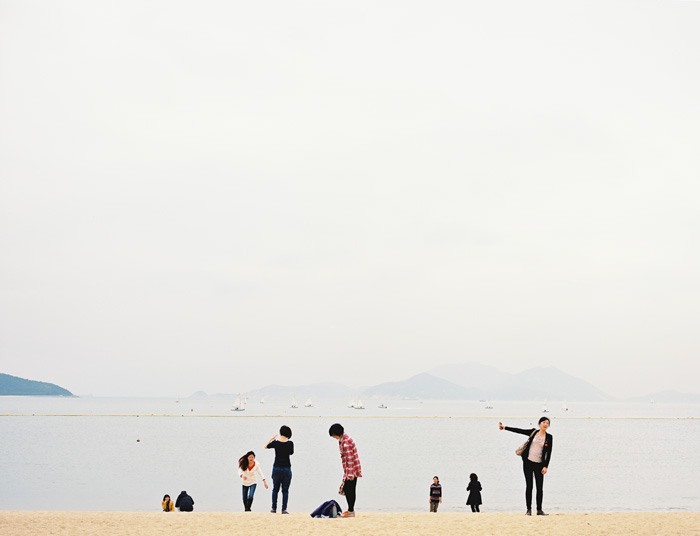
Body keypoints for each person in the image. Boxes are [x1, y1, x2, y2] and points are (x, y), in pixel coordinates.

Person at [499, 417, 553, 515]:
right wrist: (505, 427)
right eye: (544, 422)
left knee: (539, 488)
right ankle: (528, 509)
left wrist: (546, 466)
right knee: (529, 486)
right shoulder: (533, 432)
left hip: (539, 465)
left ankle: (539, 510)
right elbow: (519, 431)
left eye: (547, 423)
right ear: (539, 424)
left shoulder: (549, 437)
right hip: (528, 463)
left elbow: (548, 453)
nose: (545, 424)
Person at [329, 423, 362, 518]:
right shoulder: (344, 439)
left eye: (333, 436)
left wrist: (350, 473)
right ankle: (350, 510)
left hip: (352, 469)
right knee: (348, 489)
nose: (334, 438)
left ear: (336, 434)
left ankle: (351, 511)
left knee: (349, 489)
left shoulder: (346, 442)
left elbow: (350, 458)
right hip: (350, 469)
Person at [265, 425, 294, 514]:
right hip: (286, 469)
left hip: (276, 468)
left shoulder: (276, 443)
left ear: (280, 433)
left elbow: (265, 446)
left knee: (275, 489)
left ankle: (274, 508)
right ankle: (284, 509)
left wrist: (271, 438)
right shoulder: (290, 443)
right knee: (285, 490)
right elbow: (291, 453)